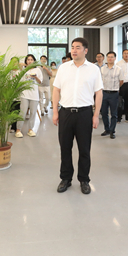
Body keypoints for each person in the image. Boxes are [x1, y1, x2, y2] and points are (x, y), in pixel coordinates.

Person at [53, 38, 103, 195]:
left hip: (84, 114)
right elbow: (56, 90)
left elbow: (99, 93)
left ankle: (84, 180)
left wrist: (96, 115)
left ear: (85, 50)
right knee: (65, 148)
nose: (74, 50)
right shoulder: (63, 68)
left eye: (78, 47)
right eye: (72, 47)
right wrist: (55, 111)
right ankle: (66, 178)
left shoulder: (93, 69)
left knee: (84, 149)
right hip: (66, 113)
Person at [16, 54, 42, 138]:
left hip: (34, 95)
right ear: (26, 61)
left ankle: (30, 129)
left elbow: (40, 82)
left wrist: (35, 77)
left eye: (31, 59)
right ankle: (18, 130)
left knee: (33, 113)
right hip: (25, 94)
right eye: (28, 60)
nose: (30, 61)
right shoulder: (24, 70)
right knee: (22, 112)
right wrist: (26, 66)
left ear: (34, 61)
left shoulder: (38, 70)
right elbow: (18, 65)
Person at [100, 51, 123, 139]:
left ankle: (112, 131)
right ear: (106, 58)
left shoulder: (119, 69)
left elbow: (121, 81)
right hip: (104, 93)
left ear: (115, 58)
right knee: (104, 112)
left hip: (114, 93)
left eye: (112, 57)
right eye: (108, 57)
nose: (110, 58)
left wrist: (116, 87)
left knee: (114, 113)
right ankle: (107, 129)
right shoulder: (102, 69)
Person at [116, 49, 128, 123]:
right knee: (120, 102)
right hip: (121, 84)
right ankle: (119, 117)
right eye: (125, 53)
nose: (126, 55)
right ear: (122, 54)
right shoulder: (118, 64)